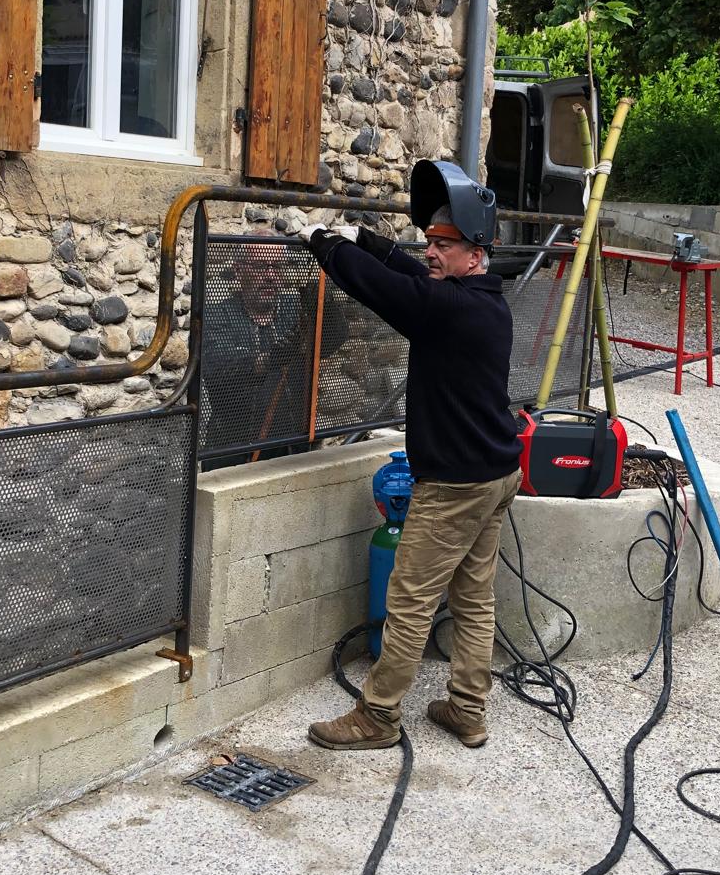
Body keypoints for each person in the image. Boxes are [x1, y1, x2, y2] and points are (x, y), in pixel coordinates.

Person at [297, 161, 521, 751]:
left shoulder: (449, 309)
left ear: (476, 253)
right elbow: (413, 275)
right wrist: (369, 241)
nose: (431, 251)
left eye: (444, 245)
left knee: (410, 599)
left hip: (453, 485)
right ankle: (467, 709)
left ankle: (377, 715)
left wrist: (324, 242)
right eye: (430, 241)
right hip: (495, 473)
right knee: (473, 597)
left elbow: (387, 290)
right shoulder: (485, 299)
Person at [201, 233, 347, 468]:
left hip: (293, 449)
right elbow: (218, 367)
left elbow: (330, 342)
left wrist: (325, 306)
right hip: (233, 452)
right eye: (260, 266)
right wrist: (271, 359)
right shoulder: (216, 315)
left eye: (277, 266)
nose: (270, 275)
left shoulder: (295, 307)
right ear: (239, 270)